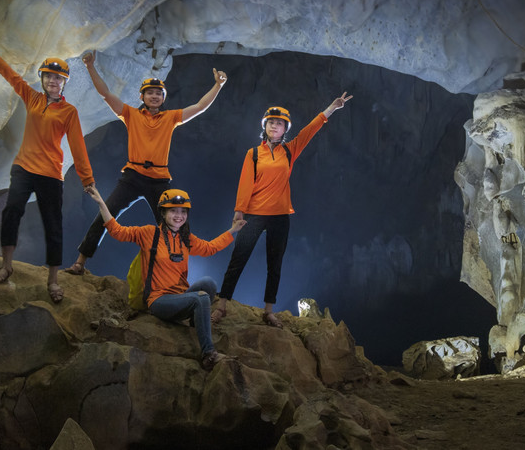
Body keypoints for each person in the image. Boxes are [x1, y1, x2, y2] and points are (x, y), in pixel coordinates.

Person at [66, 51, 228, 275]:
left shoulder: (170, 118)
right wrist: (90, 66)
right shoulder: (131, 114)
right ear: (142, 97)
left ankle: (175, 275)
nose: (154, 96)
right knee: (106, 214)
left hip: (159, 181)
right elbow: (105, 94)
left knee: (173, 226)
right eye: (149, 93)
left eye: (158, 93)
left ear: (163, 98)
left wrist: (218, 85)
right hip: (132, 177)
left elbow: (199, 106)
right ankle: (80, 262)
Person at [0, 31, 95, 303]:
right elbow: (8, 73)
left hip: (50, 174)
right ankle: (6, 265)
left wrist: (87, 178)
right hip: (23, 168)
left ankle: (53, 280)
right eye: (48, 76)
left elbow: (77, 145)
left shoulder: (68, 111)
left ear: (64, 82)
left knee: (53, 225)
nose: (52, 80)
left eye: (58, 77)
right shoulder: (32, 98)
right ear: (43, 78)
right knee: (12, 212)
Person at [212, 93, 353, 328]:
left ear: (285, 128)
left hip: (280, 216)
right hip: (254, 215)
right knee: (238, 259)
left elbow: (310, 131)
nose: (274, 126)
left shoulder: (290, 150)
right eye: (271, 122)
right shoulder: (254, 153)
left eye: (279, 123)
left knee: (274, 264)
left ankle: (269, 311)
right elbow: (245, 183)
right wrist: (239, 213)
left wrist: (331, 108)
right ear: (264, 127)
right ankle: (222, 305)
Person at [84, 186, 245, 370]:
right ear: (163, 212)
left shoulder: (185, 238)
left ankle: (196, 324)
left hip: (180, 296)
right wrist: (102, 204)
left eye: (183, 211)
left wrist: (233, 230)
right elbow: (117, 231)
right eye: (173, 211)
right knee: (200, 297)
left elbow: (209, 248)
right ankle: (209, 354)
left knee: (208, 284)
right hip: (159, 301)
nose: (179, 215)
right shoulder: (148, 234)